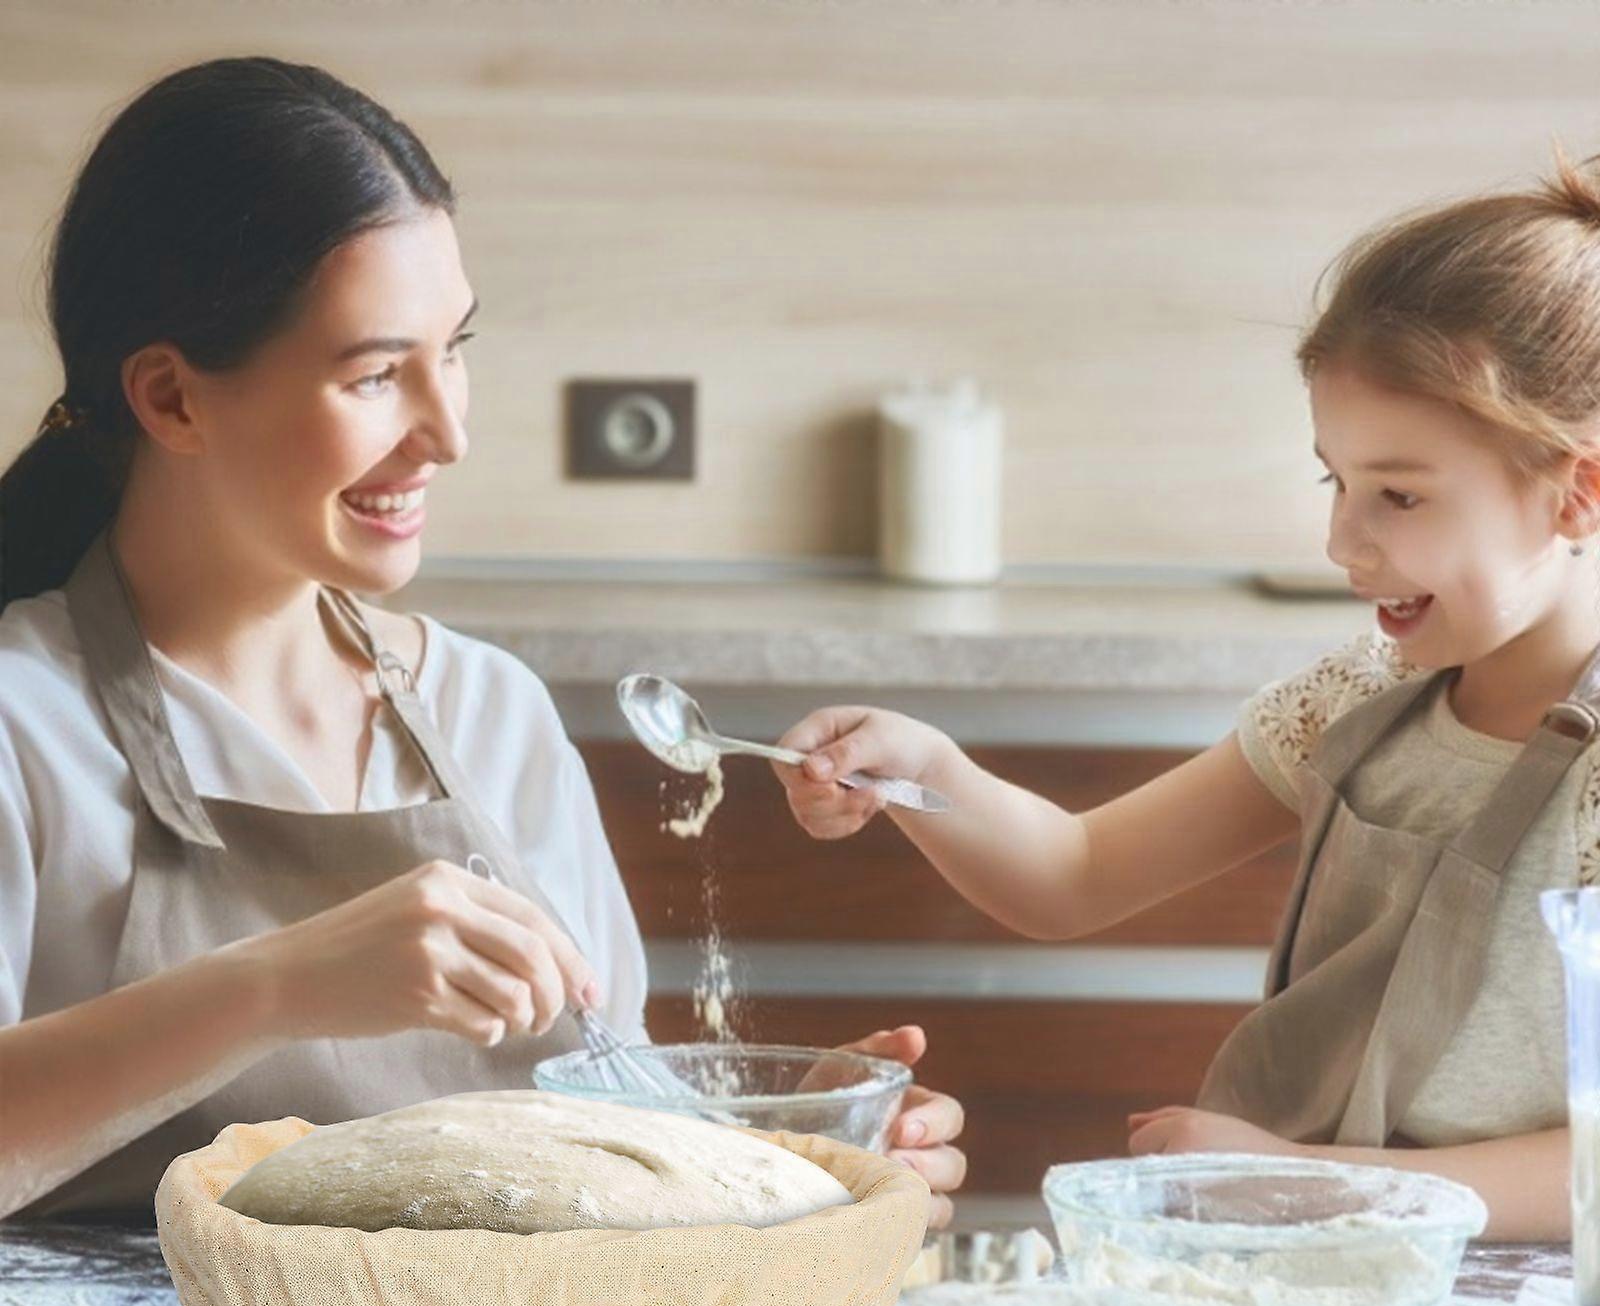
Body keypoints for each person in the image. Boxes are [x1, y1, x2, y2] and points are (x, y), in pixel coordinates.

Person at [0, 56, 965, 1225]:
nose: (446, 432)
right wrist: (278, 984)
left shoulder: (487, 710)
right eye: (374, 375)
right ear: (172, 399)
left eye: (453, 349)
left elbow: (603, 1128)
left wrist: (783, 1152)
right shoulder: (23, 725)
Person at [774, 146, 1600, 1244]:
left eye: (1398, 495)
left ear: (1576, 493)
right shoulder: (1357, 695)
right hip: (1309, 1263)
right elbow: (1075, 875)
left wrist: (1313, 1180)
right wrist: (927, 772)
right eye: (1335, 480)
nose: (1343, 541)